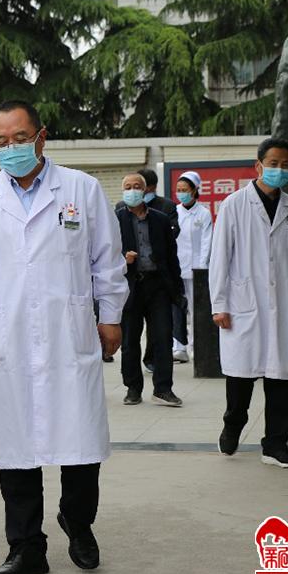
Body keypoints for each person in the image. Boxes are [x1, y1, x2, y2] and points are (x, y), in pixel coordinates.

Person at [0, 100, 128, 574]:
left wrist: (111, 316)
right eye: (0, 142)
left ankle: (78, 524)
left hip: (69, 335)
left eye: (19, 139)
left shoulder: (80, 189)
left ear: (41, 137)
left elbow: (106, 260)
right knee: (16, 450)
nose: (10, 148)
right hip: (10, 338)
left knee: (81, 444)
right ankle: (26, 547)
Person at [210, 138, 288, 469]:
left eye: (285, 165)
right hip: (243, 303)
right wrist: (219, 304)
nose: (279, 170)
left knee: (280, 381)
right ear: (258, 166)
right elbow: (219, 257)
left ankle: (275, 445)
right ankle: (233, 426)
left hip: (283, 304)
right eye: (273, 164)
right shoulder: (234, 204)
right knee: (241, 380)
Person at [116, 173, 184, 407]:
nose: (132, 190)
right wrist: (123, 258)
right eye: (128, 187)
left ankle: (163, 389)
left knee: (163, 338)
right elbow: (104, 254)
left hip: (158, 286)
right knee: (130, 340)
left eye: (137, 186)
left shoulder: (160, 219)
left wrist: (177, 290)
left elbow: (171, 256)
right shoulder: (115, 219)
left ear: (145, 190)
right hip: (130, 285)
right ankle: (133, 388)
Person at [172, 171, 212, 363]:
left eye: (185, 190)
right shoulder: (174, 212)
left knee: (196, 311)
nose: (181, 193)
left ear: (195, 190)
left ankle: (198, 347)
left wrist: (202, 267)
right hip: (177, 268)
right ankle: (179, 347)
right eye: (178, 190)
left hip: (197, 269)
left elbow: (207, 242)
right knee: (177, 309)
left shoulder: (203, 214)